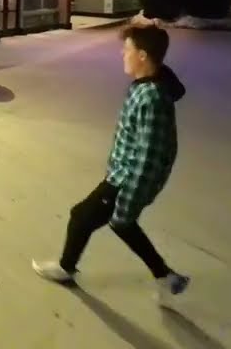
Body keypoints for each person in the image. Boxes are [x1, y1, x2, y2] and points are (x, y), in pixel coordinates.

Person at [32, 24, 191, 304]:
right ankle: (167, 277)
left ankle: (66, 268)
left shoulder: (152, 98)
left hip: (126, 179)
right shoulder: (149, 85)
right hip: (122, 174)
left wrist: (128, 198)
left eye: (127, 49)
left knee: (87, 217)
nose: (122, 54)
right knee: (116, 224)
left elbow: (150, 157)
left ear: (142, 55)